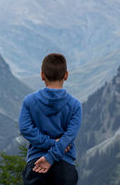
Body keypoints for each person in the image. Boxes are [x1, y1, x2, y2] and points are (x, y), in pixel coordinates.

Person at [19, 53, 82, 185]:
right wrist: (56, 146)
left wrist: (50, 152)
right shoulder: (75, 105)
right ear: (66, 75)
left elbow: (26, 129)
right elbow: (69, 136)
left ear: (42, 75)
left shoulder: (29, 101)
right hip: (65, 166)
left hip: (36, 164)